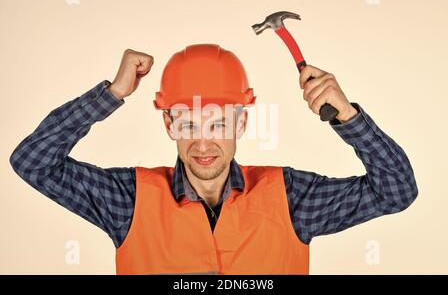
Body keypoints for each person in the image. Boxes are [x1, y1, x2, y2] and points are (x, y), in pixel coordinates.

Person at [10, 44, 418, 275]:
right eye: (187, 123)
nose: (203, 143)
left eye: (218, 123)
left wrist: (347, 116)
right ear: (168, 122)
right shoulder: (129, 200)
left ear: (241, 123)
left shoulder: (291, 198)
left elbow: (396, 190)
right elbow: (33, 161)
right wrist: (111, 95)